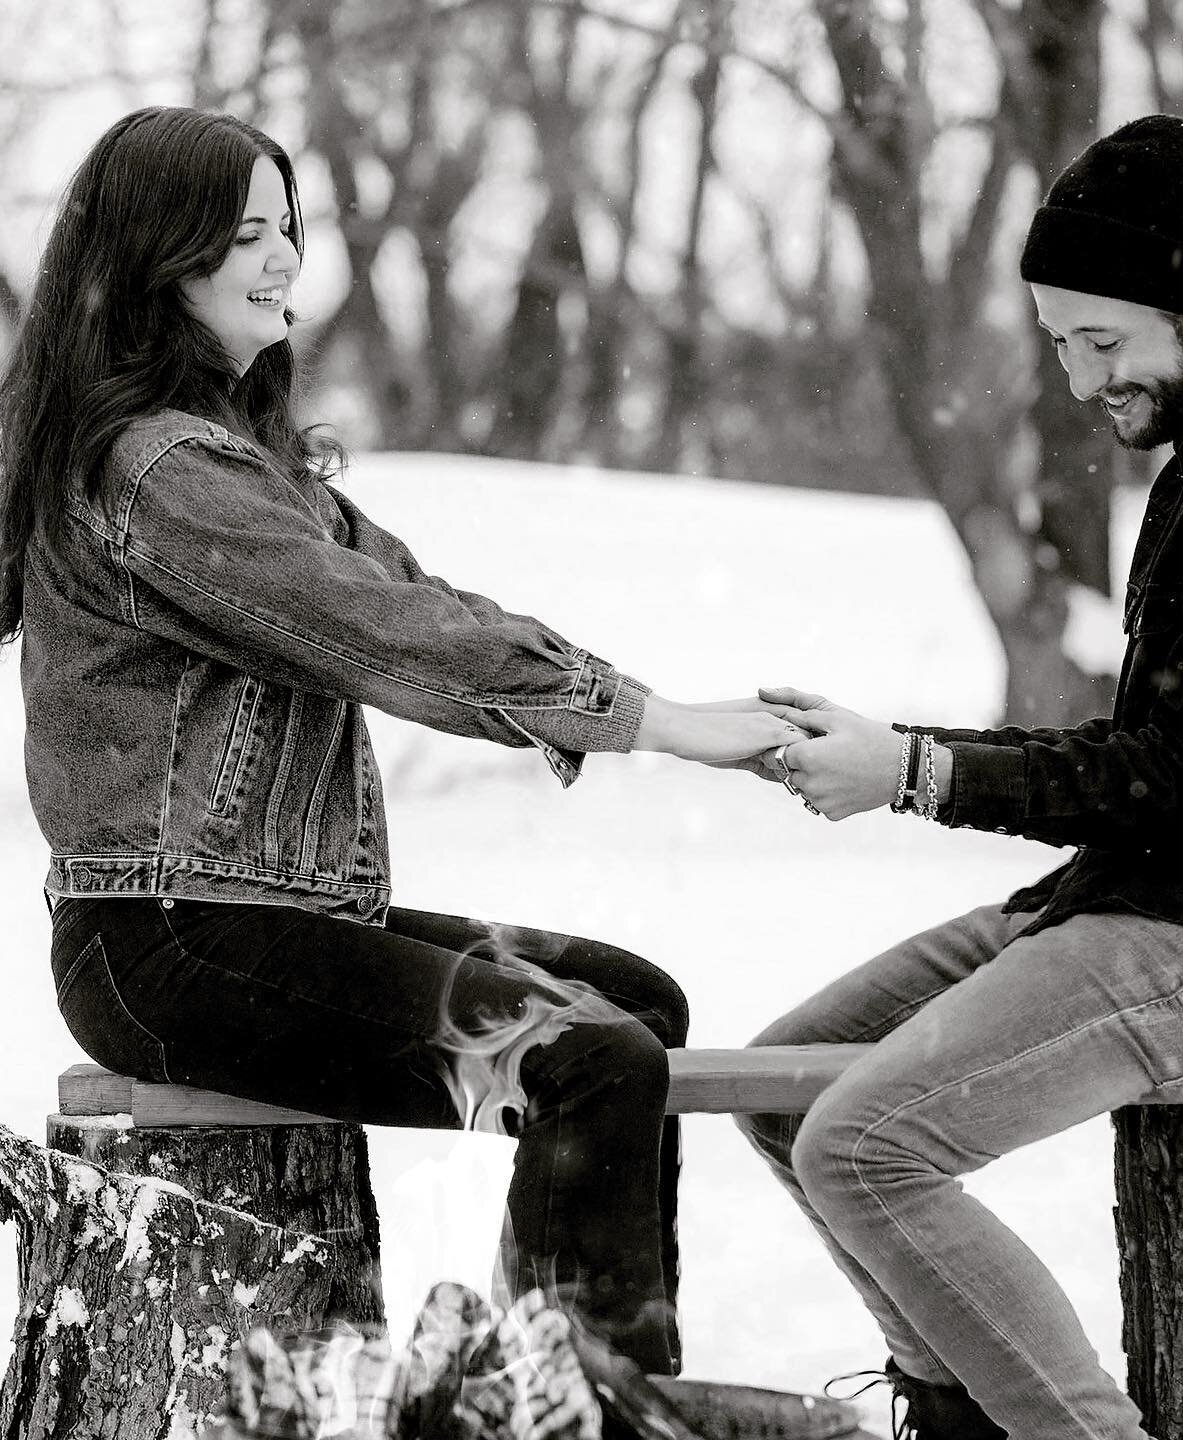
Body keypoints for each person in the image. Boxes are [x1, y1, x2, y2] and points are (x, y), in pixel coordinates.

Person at [0, 105, 803, 1378]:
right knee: (585, 1056)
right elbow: (383, 635)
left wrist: (612, 698)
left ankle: (592, 1376)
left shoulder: (235, 464)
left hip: (262, 920)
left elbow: (424, 606)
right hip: (165, 939)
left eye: (288, 229)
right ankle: (576, 1401)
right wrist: (662, 726)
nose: (285, 262)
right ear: (165, 261)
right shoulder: (158, 475)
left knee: (634, 1005)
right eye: (249, 235)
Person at [737, 114, 1183, 1439]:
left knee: (864, 1145)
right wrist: (910, 757)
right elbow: (1167, 763)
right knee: (788, 1090)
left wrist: (917, 771)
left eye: (1101, 341)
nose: (1077, 380)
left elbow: (1181, 776)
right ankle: (963, 1417)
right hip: (1151, 900)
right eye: (1061, 343)